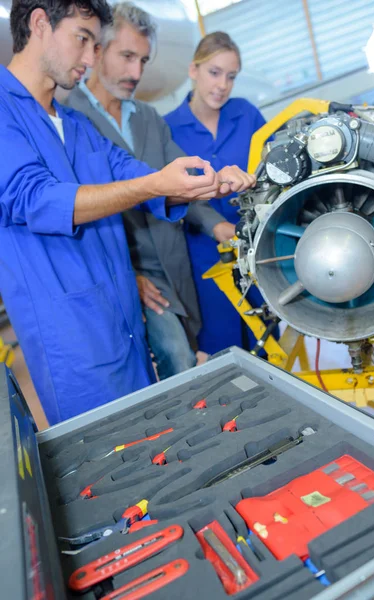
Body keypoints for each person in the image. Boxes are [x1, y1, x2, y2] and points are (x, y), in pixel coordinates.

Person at [0, 1, 255, 425]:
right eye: (83, 39)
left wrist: (207, 180)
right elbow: (35, 199)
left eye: (96, 45)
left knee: (153, 441)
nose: (89, 59)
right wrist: (155, 184)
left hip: (124, 328)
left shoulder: (75, 126)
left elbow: (144, 176)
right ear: (40, 22)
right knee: (108, 462)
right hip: (74, 339)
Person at [65, 3, 235, 381]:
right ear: (96, 52)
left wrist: (220, 225)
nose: (136, 72)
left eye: (143, 60)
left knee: (187, 356)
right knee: (176, 358)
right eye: (126, 56)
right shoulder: (70, 120)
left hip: (174, 264)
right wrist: (126, 278)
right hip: (128, 271)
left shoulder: (147, 118)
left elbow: (182, 182)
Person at [165, 32, 268, 356]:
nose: (222, 84)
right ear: (193, 70)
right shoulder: (167, 129)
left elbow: (274, 163)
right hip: (203, 256)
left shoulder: (246, 114)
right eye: (214, 72)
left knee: (269, 342)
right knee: (226, 353)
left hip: (257, 248)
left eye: (231, 76)